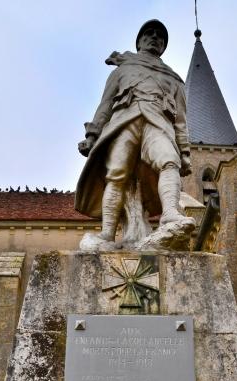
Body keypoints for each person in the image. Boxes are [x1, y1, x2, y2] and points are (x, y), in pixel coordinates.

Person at [75, 20, 193, 245]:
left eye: (160, 36)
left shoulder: (174, 79)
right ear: (139, 41)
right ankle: (107, 233)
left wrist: (185, 152)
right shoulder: (123, 69)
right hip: (124, 122)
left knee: (170, 161)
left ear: (163, 47)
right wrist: (92, 135)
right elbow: (105, 104)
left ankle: (170, 213)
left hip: (158, 124)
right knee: (117, 174)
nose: (155, 37)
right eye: (149, 33)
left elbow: (181, 119)